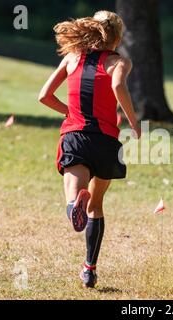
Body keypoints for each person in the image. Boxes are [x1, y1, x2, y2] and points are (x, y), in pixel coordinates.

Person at [38, 10, 140, 288]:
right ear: (117, 38)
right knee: (96, 206)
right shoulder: (119, 61)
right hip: (106, 141)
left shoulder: (72, 58)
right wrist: (134, 121)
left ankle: (74, 204)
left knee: (74, 197)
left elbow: (43, 96)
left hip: (75, 135)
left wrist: (69, 111)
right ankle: (89, 268)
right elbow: (118, 85)